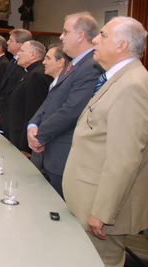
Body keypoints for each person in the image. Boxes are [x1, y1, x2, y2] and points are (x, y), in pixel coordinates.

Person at [62, 16, 148, 267]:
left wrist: (103, 212)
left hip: (103, 209)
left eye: (102, 35)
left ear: (122, 45)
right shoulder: (118, 78)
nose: (95, 40)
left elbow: (124, 160)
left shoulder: (133, 86)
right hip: (91, 198)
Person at [28, 13, 101, 198]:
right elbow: (51, 99)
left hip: (63, 154)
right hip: (50, 149)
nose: (61, 37)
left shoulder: (91, 66)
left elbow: (72, 110)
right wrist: (33, 124)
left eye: (66, 32)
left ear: (80, 36)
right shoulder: (74, 64)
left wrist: (40, 135)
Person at [0, 40, 50, 155]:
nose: (18, 54)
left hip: (21, 138)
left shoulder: (36, 75)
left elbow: (33, 110)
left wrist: (25, 146)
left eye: (22, 51)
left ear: (33, 55)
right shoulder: (29, 72)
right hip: (15, 132)